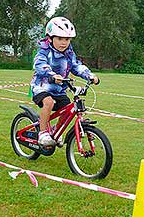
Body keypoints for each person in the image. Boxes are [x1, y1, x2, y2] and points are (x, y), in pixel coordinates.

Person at [30, 17, 99, 147]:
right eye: (60, 39)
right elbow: (40, 65)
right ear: (50, 38)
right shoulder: (44, 51)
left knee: (67, 108)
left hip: (59, 89)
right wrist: (51, 74)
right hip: (41, 87)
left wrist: (89, 75)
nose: (64, 43)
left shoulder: (68, 53)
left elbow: (76, 65)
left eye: (66, 39)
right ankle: (43, 133)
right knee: (48, 102)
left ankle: (57, 131)